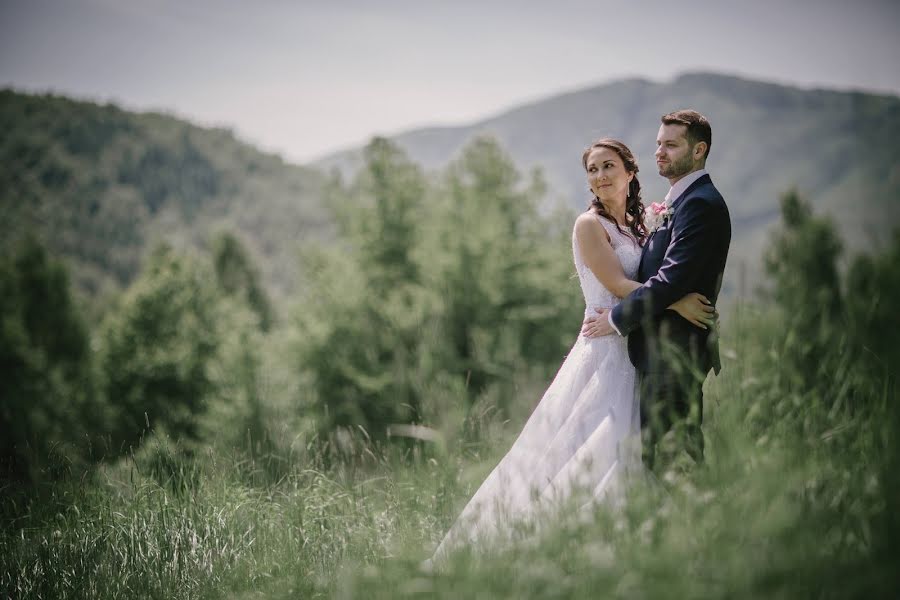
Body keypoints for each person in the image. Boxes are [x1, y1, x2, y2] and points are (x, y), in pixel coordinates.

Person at [425, 138, 715, 568]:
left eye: (608, 166)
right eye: (593, 169)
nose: (600, 176)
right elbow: (617, 286)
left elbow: (658, 274)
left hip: (636, 349)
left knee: (636, 448)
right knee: (589, 449)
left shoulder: (641, 224)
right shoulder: (588, 225)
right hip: (602, 347)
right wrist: (679, 302)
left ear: (630, 172)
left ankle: (643, 551)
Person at [582, 110, 731, 474]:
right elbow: (663, 282)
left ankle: (694, 529)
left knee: (672, 461)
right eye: (658, 144)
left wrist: (617, 318)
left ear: (699, 150)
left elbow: (671, 278)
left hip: (673, 352)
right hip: (653, 350)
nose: (660, 152)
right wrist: (677, 303)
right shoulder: (673, 203)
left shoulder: (700, 204)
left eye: (671, 144)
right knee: (657, 459)